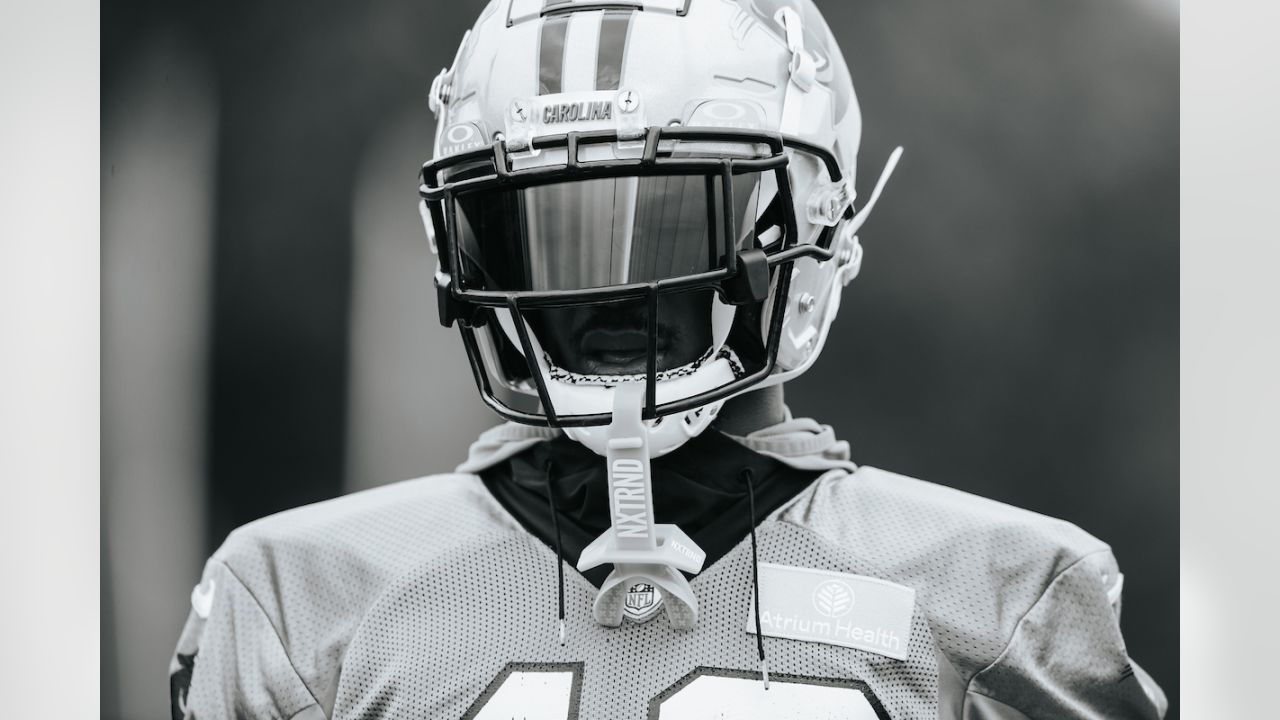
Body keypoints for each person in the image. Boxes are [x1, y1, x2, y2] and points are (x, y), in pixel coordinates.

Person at [170, 1, 1167, 718]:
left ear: (803, 225)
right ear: (470, 249)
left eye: (664, 229)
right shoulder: (294, 597)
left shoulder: (1004, 595)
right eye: (546, 235)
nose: (605, 292)